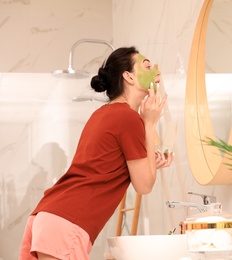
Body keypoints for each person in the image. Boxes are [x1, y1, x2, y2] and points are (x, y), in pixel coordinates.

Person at [18, 46, 174, 260]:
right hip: (68, 222)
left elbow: (103, 167)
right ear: (128, 76)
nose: (157, 74)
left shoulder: (103, 114)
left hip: (48, 216)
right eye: (147, 66)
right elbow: (144, 185)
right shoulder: (128, 119)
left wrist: (150, 162)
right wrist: (149, 123)